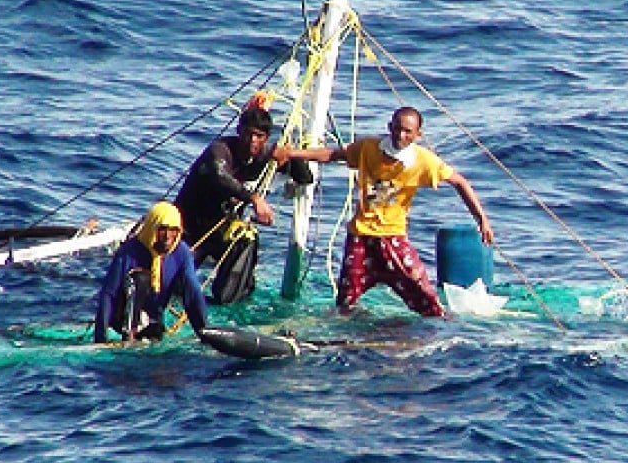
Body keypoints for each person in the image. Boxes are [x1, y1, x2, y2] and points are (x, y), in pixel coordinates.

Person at [272, 106, 494, 317]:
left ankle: (437, 331)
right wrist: (292, 154)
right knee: (346, 301)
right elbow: (333, 154)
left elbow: (460, 182)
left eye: (408, 131)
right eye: (397, 128)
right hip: (360, 237)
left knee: (425, 296)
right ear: (390, 126)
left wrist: (482, 219)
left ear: (418, 134)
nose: (401, 135)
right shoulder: (369, 148)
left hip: (392, 238)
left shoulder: (423, 161)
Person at [174, 102, 312, 304]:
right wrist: (254, 199)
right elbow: (220, 176)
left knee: (247, 238)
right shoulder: (220, 150)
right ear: (239, 131)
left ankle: (227, 301)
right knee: (175, 284)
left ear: (266, 138)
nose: (252, 141)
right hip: (190, 228)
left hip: (221, 229)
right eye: (249, 134)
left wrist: (289, 154)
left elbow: (305, 178)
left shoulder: (264, 157)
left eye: (259, 136)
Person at [93, 201, 208, 343]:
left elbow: (193, 292)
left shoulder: (181, 252)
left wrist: (205, 333)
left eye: (173, 230)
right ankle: (130, 334)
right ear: (151, 229)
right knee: (141, 278)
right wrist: (101, 337)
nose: (167, 237)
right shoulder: (128, 252)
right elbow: (108, 295)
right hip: (123, 321)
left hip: (153, 323)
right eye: (162, 229)